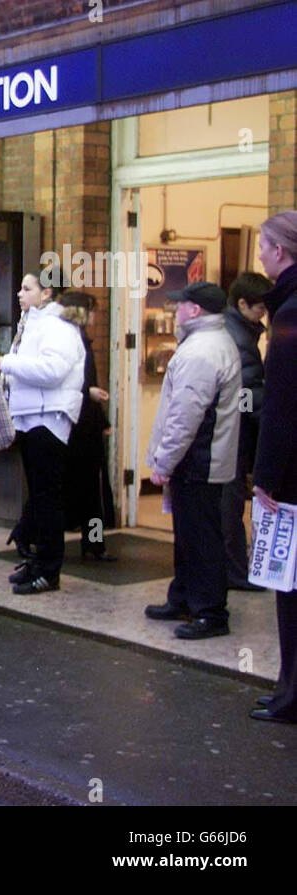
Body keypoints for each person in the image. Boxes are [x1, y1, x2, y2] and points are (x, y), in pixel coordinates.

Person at [142, 282, 241, 640]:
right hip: (201, 458)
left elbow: (186, 415)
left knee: (201, 537)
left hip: (199, 460)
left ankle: (210, 611)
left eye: (181, 305)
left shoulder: (201, 351)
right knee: (189, 534)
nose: (176, 310)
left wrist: (163, 462)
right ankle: (183, 597)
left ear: (195, 310)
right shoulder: (211, 342)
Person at [0, 270, 86, 594]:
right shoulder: (34, 323)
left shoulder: (57, 326)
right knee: (39, 497)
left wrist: (8, 364)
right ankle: (37, 560)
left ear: (46, 293)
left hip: (48, 418)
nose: (19, 293)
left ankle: (49, 569)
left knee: (48, 500)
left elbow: (52, 370)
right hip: (31, 416)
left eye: (27, 288)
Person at [251, 210, 297, 723]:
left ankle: (291, 695)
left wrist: (264, 476)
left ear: (280, 252)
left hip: (291, 476)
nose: (259, 256)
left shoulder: (287, 316)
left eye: (263, 248)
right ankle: (287, 687)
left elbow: (282, 406)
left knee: (290, 585)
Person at [58, 290, 117, 561]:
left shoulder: (78, 339)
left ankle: (94, 543)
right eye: (92, 311)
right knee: (90, 488)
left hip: (80, 422)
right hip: (80, 423)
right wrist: (89, 394)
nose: (95, 317)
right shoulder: (75, 341)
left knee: (81, 487)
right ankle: (93, 543)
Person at [222, 272, 271, 592]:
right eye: (259, 309)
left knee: (227, 501)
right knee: (230, 501)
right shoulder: (241, 341)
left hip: (226, 434)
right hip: (233, 436)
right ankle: (236, 572)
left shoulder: (234, 331)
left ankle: (232, 570)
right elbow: (247, 395)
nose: (263, 315)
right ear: (242, 304)